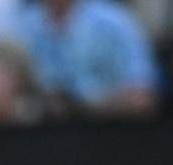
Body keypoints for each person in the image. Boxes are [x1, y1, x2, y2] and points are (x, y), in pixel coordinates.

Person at [16, 0, 158, 119]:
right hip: (43, 133)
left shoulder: (116, 24)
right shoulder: (23, 26)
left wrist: (87, 108)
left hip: (108, 131)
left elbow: (142, 97)